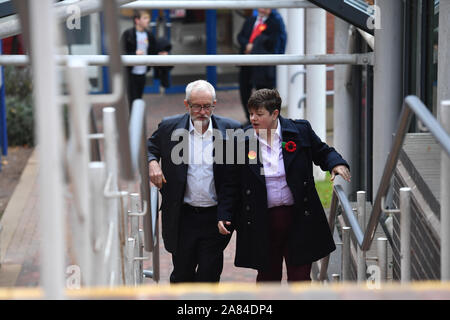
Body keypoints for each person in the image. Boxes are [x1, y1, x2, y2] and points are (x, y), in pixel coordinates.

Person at [217, 89, 351, 283]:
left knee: (300, 277)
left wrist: (336, 164)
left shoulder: (300, 130)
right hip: (261, 220)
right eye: (251, 113)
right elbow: (229, 184)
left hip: (299, 218)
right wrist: (224, 214)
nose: (253, 118)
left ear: (275, 114)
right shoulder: (238, 140)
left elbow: (322, 152)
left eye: (259, 114)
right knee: (267, 278)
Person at [147, 80, 241, 283]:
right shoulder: (169, 127)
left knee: (209, 275)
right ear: (186, 104)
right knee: (182, 274)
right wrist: (152, 162)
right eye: (197, 106)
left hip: (215, 216)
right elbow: (149, 147)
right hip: (182, 215)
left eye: (207, 106)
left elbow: (239, 175)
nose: (202, 111)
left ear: (214, 104)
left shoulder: (232, 130)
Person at [237, 8, 283, 124]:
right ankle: (250, 119)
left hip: (262, 65)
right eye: (262, 5)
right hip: (246, 62)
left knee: (264, 94)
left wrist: (253, 46)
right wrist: (246, 44)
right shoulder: (250, 20)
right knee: (244, 91)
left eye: (267, 6)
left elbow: (271, 42)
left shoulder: (274, 23)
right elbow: (240, 36)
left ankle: (264, 120)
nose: (264, 8)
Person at [121, 10, 169, 109]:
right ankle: (133, 121)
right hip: (130, 72)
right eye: (145, 18)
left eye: (148, 18)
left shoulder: (149, 34)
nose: (148, 20)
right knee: (132, 99)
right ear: (137, 20)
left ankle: (136, 120)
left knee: (138, 98)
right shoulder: (128, 34)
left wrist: (160, 54)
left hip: (142, 71)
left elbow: (153, 50)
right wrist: (134, 54)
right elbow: (120, 53)